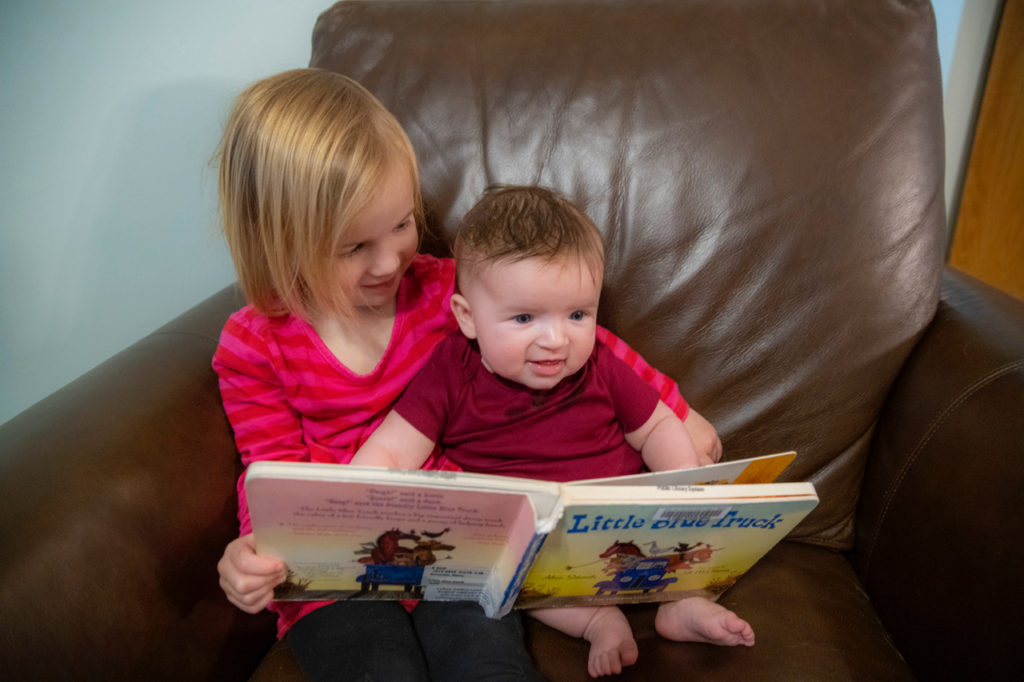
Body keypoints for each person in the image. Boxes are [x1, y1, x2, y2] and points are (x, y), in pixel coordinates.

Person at [212, 68, 721, 680]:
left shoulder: (441, 290)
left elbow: (565, 339)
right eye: (352, 248)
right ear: (280, 239)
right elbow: (270, 478)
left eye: (401, 225)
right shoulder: (255, 342)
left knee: (487, 665)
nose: (389, 261)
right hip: (335, 572)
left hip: (462, 555)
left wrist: (677, 412)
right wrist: (254, 555)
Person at [351, 185, 754, 678]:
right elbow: (391, 451)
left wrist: (681, 487)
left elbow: (658, 428)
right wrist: (361, 497)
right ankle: (595, 623)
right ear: (468, 318)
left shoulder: (601, 366)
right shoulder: (450, 372)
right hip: (538, 548)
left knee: (704, 548)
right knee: (507, 577)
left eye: (578, 314)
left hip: (626, 524)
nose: (556, 340)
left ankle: (681, 606)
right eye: (524, 317)